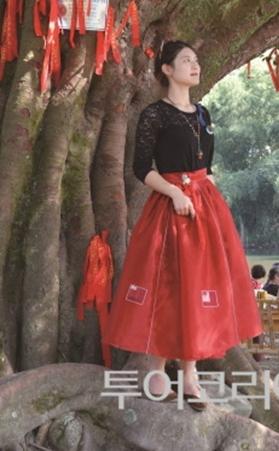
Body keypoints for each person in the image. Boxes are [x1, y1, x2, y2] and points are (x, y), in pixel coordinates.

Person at [104, 40, 260, 409]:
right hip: (170, 208)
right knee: (167, 287)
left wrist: (208, 197)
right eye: (186, 61)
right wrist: (175, 194)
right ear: (167, 70)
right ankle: (156, 372)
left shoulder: (202, 112)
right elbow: (141, 168)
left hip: (205, 208)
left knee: (199, 286)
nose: (195, 66)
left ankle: (190, 378)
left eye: (196, 61)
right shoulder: (154, 114)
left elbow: (205, 164)